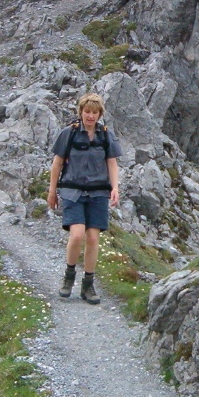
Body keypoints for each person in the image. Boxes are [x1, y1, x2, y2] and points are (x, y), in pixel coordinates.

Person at [47, 92, 122, 304]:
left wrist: (115, 187)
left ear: (100, 115)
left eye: (94, 112)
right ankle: (69, 276)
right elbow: (57, 163)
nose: (90, 116)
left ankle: (88, 285)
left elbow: (112, 163)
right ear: (81, 112)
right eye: (87, 111)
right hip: (72, 192)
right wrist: (52, 191)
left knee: (93, 238)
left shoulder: (106, 136)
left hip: (98, 193)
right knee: (77, 235)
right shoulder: (68, 133)